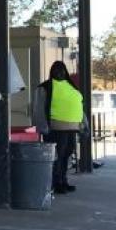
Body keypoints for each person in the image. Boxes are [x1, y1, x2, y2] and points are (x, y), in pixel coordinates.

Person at [32, 61, 84, 194]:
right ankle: (56, 183)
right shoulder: (45, 87)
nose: (59, 73)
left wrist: (84, 124)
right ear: (52, 72)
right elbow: (38, 108)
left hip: (72, 127)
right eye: (56, 70)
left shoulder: (71, 86)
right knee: (57, 156)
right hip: (55, 127)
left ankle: (63, 180)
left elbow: (80, 106)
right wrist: (42, 127)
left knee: (66, 154)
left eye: (61, 70)